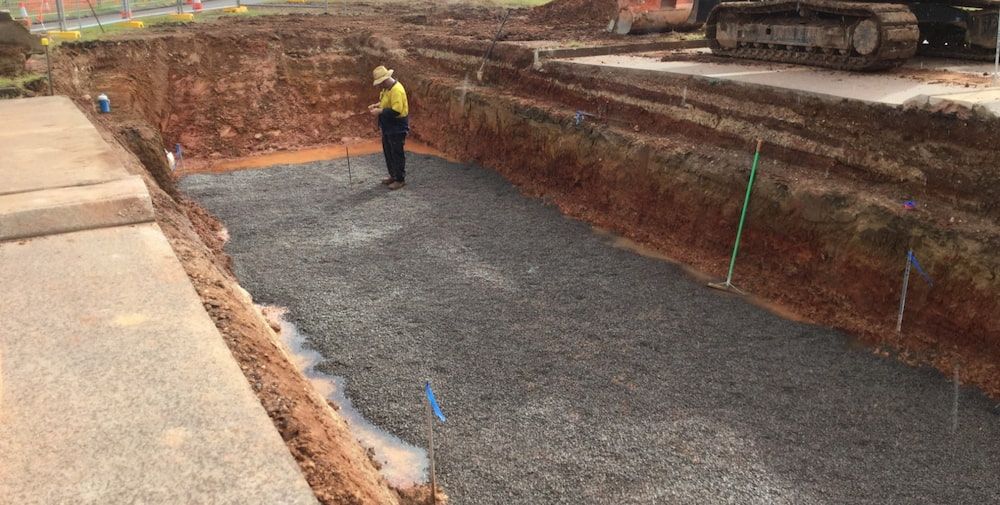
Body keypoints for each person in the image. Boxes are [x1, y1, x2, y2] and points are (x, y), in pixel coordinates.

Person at [368, 65, 409, 190]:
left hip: (397, 126)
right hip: (388, 126)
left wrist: (380, 111)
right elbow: (386, 102)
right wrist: (377, 105)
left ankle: (400, 179)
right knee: (388, 151)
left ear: (385, 80)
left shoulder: (397, 90)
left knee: (396, 153)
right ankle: (393, 175)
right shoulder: (387, 89)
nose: (379, 86)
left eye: (380, 83)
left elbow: (396, 111)